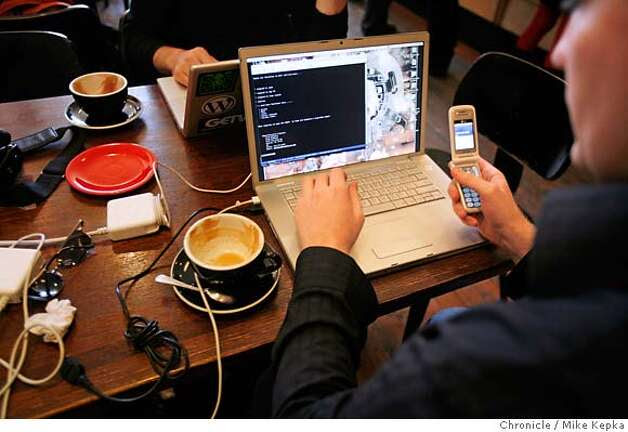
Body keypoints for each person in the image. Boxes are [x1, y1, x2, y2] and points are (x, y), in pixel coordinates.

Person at [266, 0, 628, 417]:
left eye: (583, 12)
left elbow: (302, 416)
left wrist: (325, 251)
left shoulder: (479, 360)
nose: (560, 52)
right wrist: (517, 234)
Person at [122, 1, 349, 86]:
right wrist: (174, 58)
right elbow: (133, 37)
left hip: (279, 89)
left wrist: (331, 8)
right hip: (193, 96)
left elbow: (323, 55)